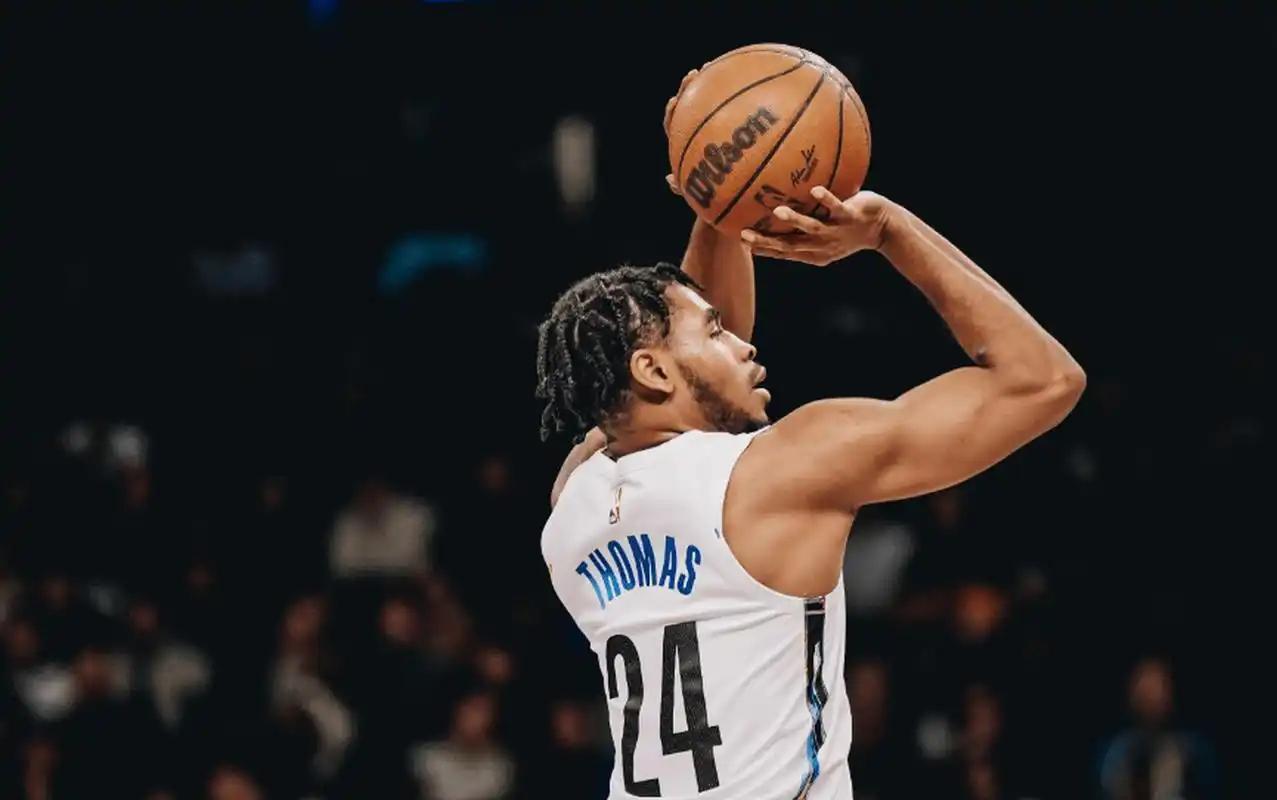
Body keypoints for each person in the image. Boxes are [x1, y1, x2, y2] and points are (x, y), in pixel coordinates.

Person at [535, 70, 1085, 800]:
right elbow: (1044, 381)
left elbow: (676, 390)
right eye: (716, 333)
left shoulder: (573, 504)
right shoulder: (781, 472)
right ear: (653, 370)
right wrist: (887, 230)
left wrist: (719, 201)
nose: (743, 344)